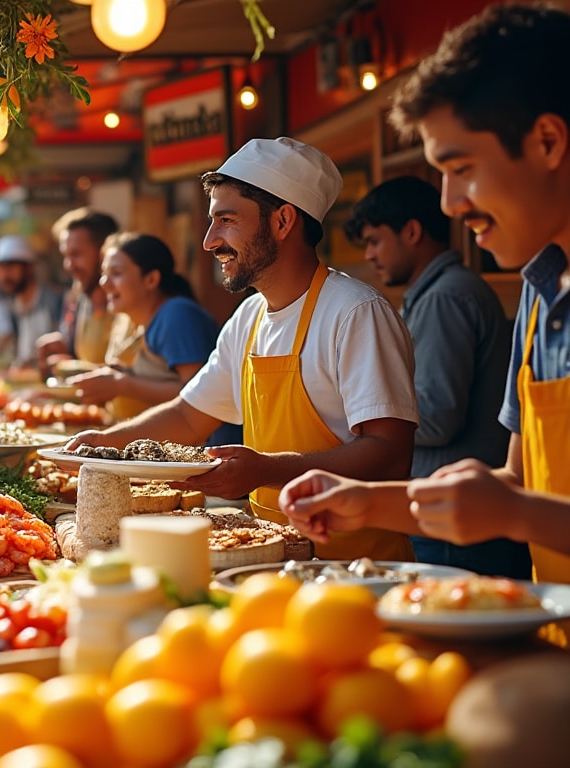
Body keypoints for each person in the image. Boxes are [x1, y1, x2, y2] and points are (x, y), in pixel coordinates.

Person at [281, 4, 570, 585]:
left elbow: (519, 506)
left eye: (460, 167)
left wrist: (516, 512)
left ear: (546, 141)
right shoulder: (541, 297)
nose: (449, 203)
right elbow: (517, 483)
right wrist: (368, 502)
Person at [68, 137, 418, 562]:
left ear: (283, 221)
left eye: (226, 220)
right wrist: (102, 446)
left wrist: (267, 470)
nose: (210, 241)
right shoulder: (249, 317)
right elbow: (187, 415)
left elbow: (390, 456)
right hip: (269, 557)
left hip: (358, 566)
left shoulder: (356, 313)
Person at [345, 176, 528, 578]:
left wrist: (364, 415)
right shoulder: (438, 293)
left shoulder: (445, 297)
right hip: (457, 512)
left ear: (411, 231)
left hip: (456, 522)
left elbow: (438, 414)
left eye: (375, 241)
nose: (371, 255)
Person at [67, 232, 241, 445]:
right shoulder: (150, 320)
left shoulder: (176, 314)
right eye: (104, 273)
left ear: (151, 279)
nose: (104, 283)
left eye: (116, 273)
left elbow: (197, 394)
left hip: (213, 454)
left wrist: (122, 385)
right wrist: (124, 375)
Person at [37, 208, 123, 376]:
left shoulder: (129, 304)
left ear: (104, 253)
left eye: (76, 254)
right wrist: (66, 350)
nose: (68, 265)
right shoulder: (78, 299)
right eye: (65, 255)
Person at [0, 235, 64, 369]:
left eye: (10, 267)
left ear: (28, 268)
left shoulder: (54, 301)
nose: (4, 275)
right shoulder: (12, 308)